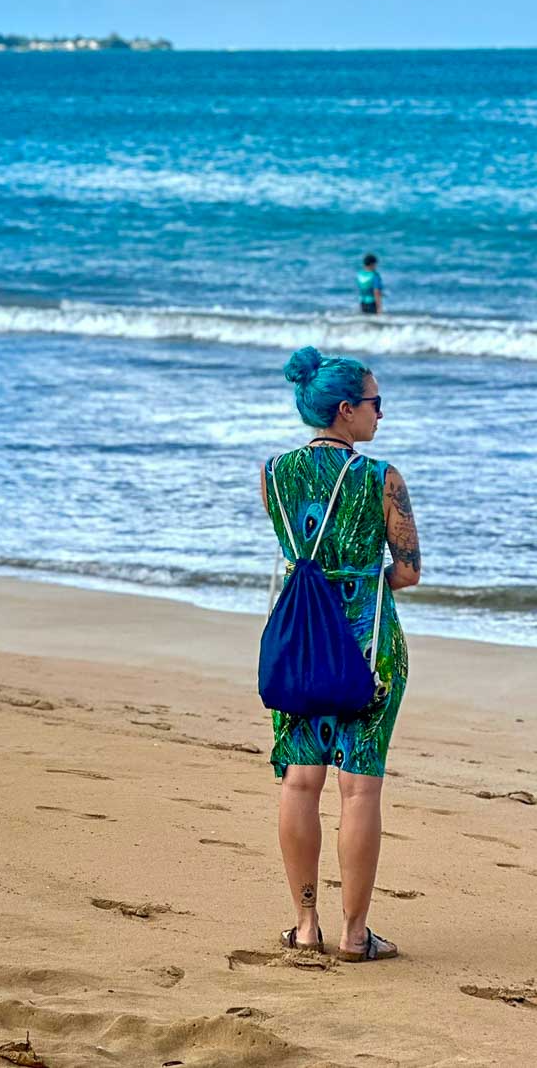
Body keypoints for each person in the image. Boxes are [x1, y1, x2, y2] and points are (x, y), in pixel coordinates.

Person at [260, 346, 421, 962]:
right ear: (348, 410)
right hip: (367, 647)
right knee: (359, 790)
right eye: (376, 403)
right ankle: (355, 936)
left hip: (299, 642)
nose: (382, 413)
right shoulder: (381, 478)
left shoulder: (274, 473)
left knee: (301, 782)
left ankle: (305, 926)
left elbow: (294, 549)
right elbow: (407, 573)